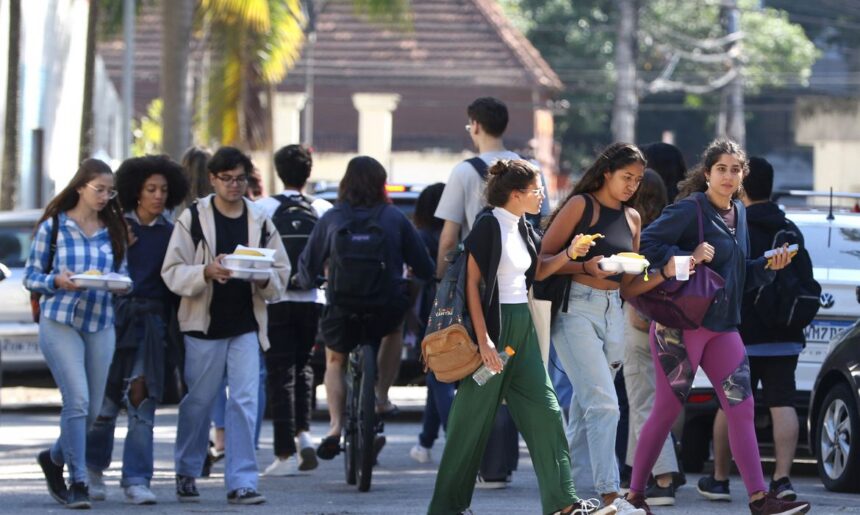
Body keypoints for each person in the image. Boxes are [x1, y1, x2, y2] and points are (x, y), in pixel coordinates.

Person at [620, 139, 810, 515]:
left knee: (742, 408)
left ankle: (759, 498)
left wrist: (769, 266)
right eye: (721, 169)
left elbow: (738, 276)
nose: (728, 176)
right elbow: (646, 247)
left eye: (735, 170)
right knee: (665, 410)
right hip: (680, 326)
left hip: (723, 328)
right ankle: (635, 496)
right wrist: (687, 257)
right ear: (707, 173)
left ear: (743, 176)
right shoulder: (690, 209)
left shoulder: (739, 213)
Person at [428, 159, 605, 515]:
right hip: (495, 329)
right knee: (469, 421)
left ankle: (563, 503)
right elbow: (472, 285)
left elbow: (538, 270)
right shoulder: (488, 226)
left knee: (547, 412)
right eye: (536, 190)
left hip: (522, 329)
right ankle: (445, 508)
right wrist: (484, 340)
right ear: (514, 194)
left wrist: (569, 254)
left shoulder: (524, 226)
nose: (542, 196)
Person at [161, 146, 289, 505]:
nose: (234, 185)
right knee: (199, 402)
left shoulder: (260, 219)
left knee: (245, 401)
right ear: (213, 179)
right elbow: (172, 271)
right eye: (227, 179)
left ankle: (242, 481)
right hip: (202, 325)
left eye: (240, 179)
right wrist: (205, 271)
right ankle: (187, 470)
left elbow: (281, 271)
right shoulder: (194, 218)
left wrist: (263, 278)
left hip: (246, 325)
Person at [295, 156, 434, 461]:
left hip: (342, 305)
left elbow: (308, 266)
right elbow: (424, 266)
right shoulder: (394, 218)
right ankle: (381, 397)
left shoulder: (332, 217)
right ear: (381, 184)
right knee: (394, 330)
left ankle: (335, 427)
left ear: (346, 184)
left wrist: (303, 280)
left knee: (334, 360)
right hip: (385, 305)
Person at [434, 96, 539, 488]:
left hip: (478, 288)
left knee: (479, 372)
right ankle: (503, 462)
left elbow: (449, 238)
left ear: (475, 125)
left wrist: (442, 284)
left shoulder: (464, 172)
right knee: (512, 373)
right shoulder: (529, 170)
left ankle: (486, 465)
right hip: (518, 289)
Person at [540, 142, 647, 515]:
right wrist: (585, 266)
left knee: (589, 408)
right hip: (575, 309)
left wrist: (665, 274)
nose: (632, 185)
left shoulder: (633, 218)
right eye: (626, 177)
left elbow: (629, 285)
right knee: (604, 403)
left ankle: (565, 496)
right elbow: (542, 261)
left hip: (613, 310)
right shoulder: (581, 205)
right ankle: (611, 496)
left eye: (637, 180)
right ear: (606, 173)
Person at [700, 157, 811, 503]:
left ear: (742, 185)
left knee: (728, 404)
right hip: (784, 336)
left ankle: (720, 479)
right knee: (783, 402)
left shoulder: (736, 225)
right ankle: (782, 479)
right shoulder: (789, 229)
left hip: (741, 334)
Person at [84, 155, 188, 505]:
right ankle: (91, 470)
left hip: (152, 324)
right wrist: (118, 248)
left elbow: (176, 284)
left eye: (164, 190)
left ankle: (137, 479)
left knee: (142, 400)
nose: (158, 196)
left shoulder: (173, 234)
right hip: (113, 318)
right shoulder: (113, 227)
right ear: (136, 191)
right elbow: (95, 271)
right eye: (150, 189)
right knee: (105, 400)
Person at [26, 158, 130, 509]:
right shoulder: (54, 227)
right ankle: (78, 481)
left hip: (100, 321)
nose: (105, 197)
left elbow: (124, 275)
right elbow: (31, 277)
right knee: (78, 401)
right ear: (80, 187)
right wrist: (56, 281)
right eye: (99, 189)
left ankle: (53, 457)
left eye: (110, 192)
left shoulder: (113, 229)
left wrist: (120, 285)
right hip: (60, 320)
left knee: (93, 409)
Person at [255, 144, 332, 476]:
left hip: (276, 298)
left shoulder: (263, 207)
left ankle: (284, 453)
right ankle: (304, 435)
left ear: (278, 171)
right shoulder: (323, 208)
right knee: (304, 368)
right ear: (308, 172)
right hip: (313, 298)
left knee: (279, 372)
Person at [619, 169, 680, 506]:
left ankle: (665, 477)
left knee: (643, 403)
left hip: (638, 321)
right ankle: (636, 474)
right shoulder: (674, 230)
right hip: (672, 326)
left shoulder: (633, 230)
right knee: (652, 401)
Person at [407, 183, 454, 464]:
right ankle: (425, 441)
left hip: (430, 311)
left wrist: (410, 315)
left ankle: (454, 436)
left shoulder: (421, 237)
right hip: (461, 309)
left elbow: (415, 279)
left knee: (437, 375)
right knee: (435, 375)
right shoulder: (458, 233)